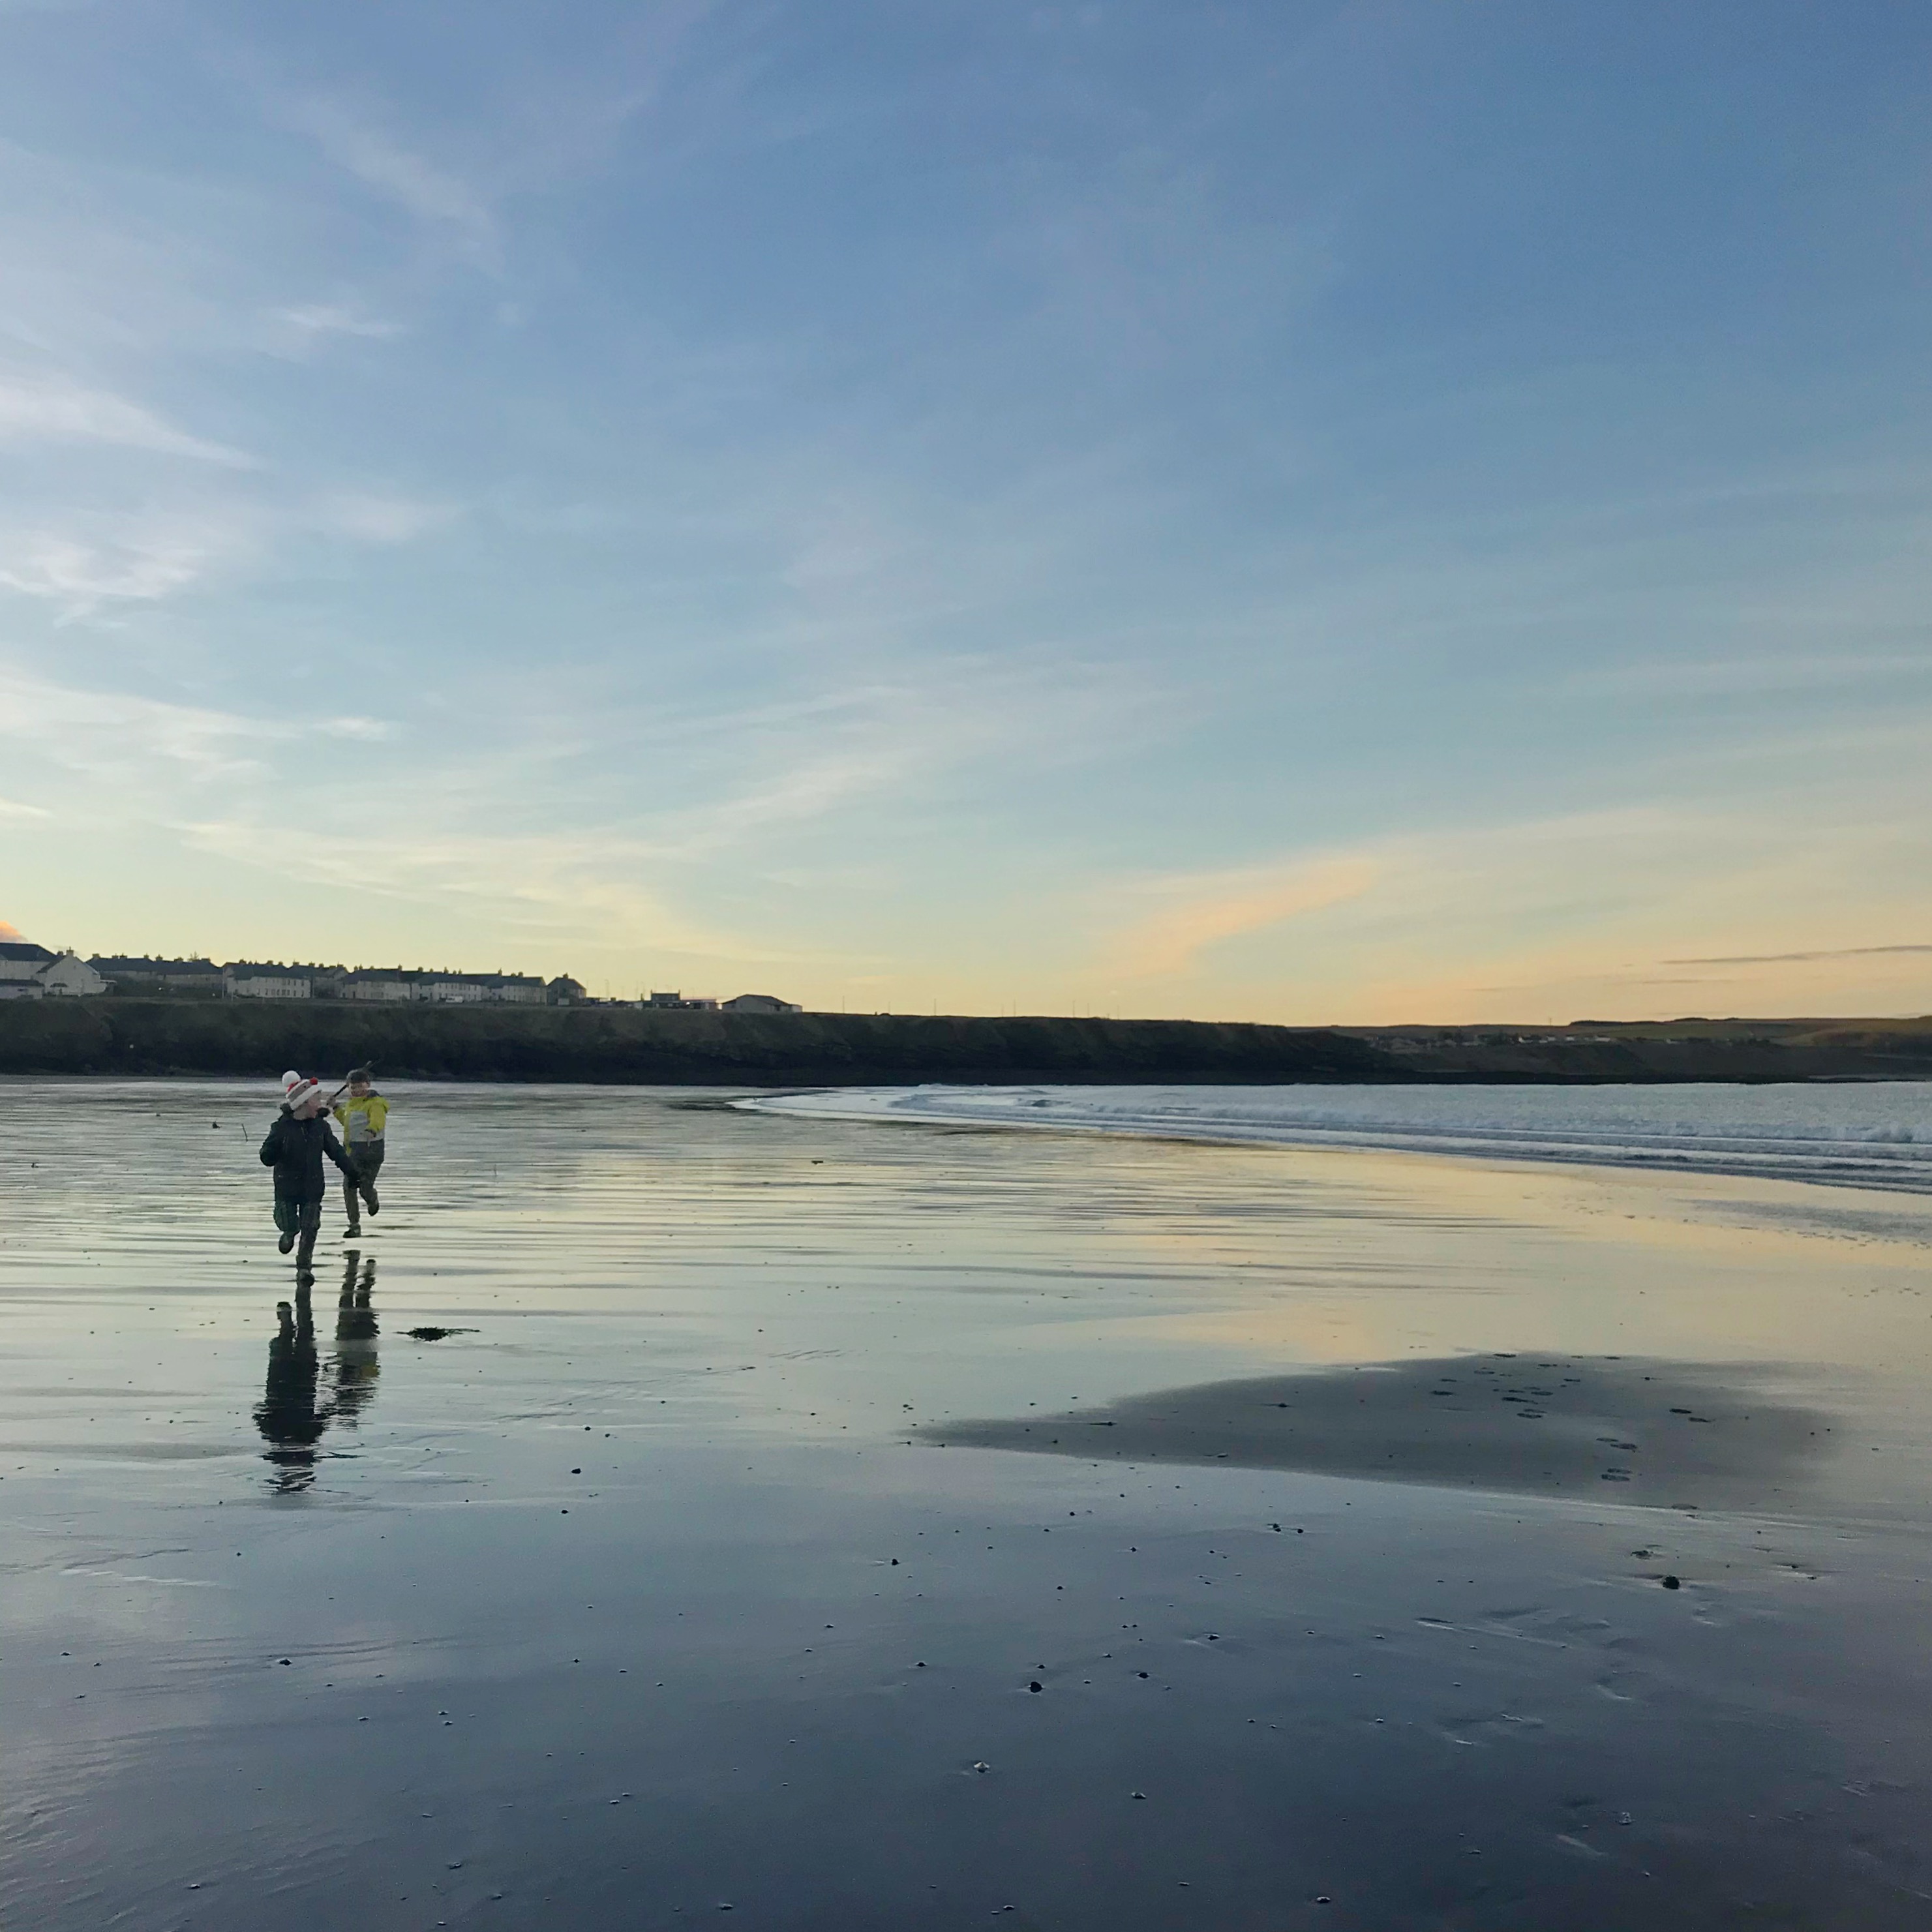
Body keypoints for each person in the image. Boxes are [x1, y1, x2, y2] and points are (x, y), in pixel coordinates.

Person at [259, 1073, 356, 1279]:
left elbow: (336, 1152)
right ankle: (288, 1233)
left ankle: (304, 1267)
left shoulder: (321, 1127)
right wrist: (270, 1153)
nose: (320, 1104)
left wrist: (352, 1171)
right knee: (290, 1224)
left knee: (311, 1228)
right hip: (286, 1188)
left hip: (313, 1188)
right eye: (316, 1100)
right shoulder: (281, 1128)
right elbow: (266, 1156)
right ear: (303, 1103)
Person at [331, 1067, 389, 1237]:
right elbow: (347, 1124)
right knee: (349, 1187)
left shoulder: (376, 1103)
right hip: (353, 1152)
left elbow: (378, 1120)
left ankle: (373, 1200)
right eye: (352, 1087)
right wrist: (335, 1108)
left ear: (368, 1085)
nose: (356, 1090)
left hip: (372, 1152)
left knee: (365, 1188)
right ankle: (354, 1225)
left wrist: (371, 1130)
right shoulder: (351, 1105)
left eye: (359, 1086)